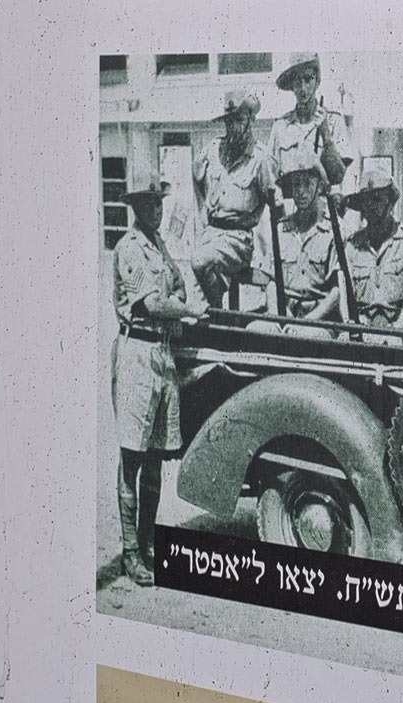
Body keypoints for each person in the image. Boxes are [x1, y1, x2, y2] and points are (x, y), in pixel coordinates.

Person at [111, 173, 202, 586]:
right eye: (150, 202)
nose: (158, 208)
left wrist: (178, 305)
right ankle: (131, 551)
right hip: (138, 353)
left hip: (162, 356)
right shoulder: (130, 247)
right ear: (136, 206)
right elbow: (151, 305)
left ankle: (147, 543)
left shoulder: (161, 247)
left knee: (154, 461)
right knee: (131, 456)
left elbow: (179, 287)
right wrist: (184, 311)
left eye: (160, 201)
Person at [192, 90, 275, 308]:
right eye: (229, 122)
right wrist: (202, 209)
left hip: (238, 239)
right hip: (210, 235)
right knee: (195, 308)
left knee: (200, 262)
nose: (233, 127)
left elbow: (276, 206)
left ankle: (219, 313)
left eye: (239, 120)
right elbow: (196, 172)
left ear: (251, 120)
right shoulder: (213, 149)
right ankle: (216, 318)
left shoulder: (260, 158)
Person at [337, 167, 403, 330]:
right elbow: (344, 291)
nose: (370, 206)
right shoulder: (352, 245)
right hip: (362, 327)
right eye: (365, 200)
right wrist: (349, 324)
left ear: (390, 202)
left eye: (376, 199)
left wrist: (398, 327)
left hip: (397, 329)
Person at [268, 53, 354, 194]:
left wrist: (326, 134)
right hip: (291, 208)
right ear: (291, 85)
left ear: (317, 81)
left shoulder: (334, 121)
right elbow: (271, 177)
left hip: (322, 207)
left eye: (308, 80)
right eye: (297, 81)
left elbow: (338, 175)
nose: (303, 88)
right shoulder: (280, 127)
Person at [270, 157, 340, 323]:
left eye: (307, 183)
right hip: (284, 313)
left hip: (319, 318)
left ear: (320, 187)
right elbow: (271, 283)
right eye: (296, 184)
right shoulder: (281, 230)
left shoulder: (333, 231)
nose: (301, 191)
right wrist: (282, 318)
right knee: (256, 330)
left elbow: (337, 291)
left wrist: (307, 322)